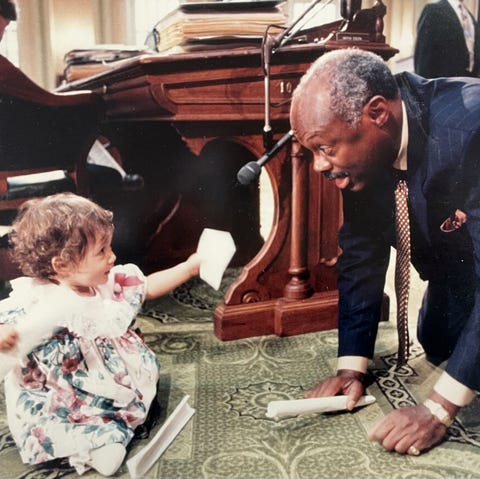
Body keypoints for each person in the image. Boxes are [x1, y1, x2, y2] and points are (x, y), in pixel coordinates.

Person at [289, 48, 480, 456]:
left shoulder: (471, 128)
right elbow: (361, 253)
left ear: (378, 113)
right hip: (460, 273)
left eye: (324, 147)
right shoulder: (364, 157)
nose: (319, 166)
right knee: (440, 341)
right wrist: (351, 365)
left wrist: (439, 408)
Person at [0, 192, 201, 476]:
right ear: (63, 265)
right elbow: (7, 325)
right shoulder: (36, 299)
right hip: (63, 393)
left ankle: (116, 422)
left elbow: (147, 287)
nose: (113, 257)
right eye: (102, 251)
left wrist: (188, 268)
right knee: (70, 424)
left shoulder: (104, 283)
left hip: (104, 377)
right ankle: (92, 446)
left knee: (130, 398)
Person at [414, 0, 480, 78]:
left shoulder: (471, 18)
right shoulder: (433, 10)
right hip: (442, 86)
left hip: (468, 86)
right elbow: (423, 58)